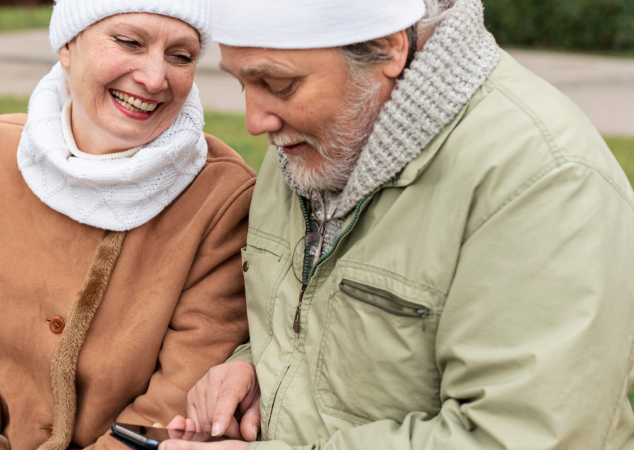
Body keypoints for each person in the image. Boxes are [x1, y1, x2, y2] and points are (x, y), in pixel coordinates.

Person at [161, 0, 634, 448]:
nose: (254, 121)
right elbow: (313, 331)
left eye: (279, 85)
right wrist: (254, 371)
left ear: (388, 48)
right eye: (243, 83)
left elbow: (523, 436)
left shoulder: (544, 183)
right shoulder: (309, 146)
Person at [0, 0, 256, 449]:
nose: (154, 78)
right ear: (67, 45)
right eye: (129, 41)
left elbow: (176, 401)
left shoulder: (223, 198)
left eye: (181, 56)